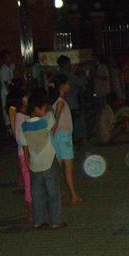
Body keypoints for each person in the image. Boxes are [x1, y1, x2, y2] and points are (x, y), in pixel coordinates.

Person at [18, 92, 66, 230]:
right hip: (49, 160)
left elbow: (24, 146)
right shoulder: (47, 119)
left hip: (34, 163)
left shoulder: (24, 126)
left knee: (37, 193)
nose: (45, 110)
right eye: (43, 107)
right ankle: (56, 221)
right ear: (36, 109)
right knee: (53, 192)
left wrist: (27, 162)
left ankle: (38, 221)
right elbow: (53, 121)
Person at [51, 74, 84, 205]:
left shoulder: (57, 102)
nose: (69, 85)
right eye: (67, 83)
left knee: (58, 168)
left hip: (58, 136)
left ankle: (60, 194)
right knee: (68, 168)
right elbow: (56, 120)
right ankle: (73, 195)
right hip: (63, 137)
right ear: (62, 86)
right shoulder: (60, 102)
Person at [8, 88, 32, 218]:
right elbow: (19, 138)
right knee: (28, 183)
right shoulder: (19, 116)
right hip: (24, 153)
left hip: (31, 152)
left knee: (32, 182)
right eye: (25, 97)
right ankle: (30, 211)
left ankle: (35, 209)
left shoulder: (26, 115)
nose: (28, 98)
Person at [57, 55, 87, 143]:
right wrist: (81, 74)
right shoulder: (69, 75)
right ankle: (73, 141)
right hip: (71, 102)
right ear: (66, 64)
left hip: (60, 102)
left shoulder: (57, 74)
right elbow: (81, 82)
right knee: (72, 123)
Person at [0, 50, 15, 132]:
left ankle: (11, 126)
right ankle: (8, 127)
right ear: (4, 59)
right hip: (6, 92)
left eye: (10, 57)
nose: (10, 59)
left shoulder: (9, 67)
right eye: (8, 57)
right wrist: (11, 92)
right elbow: (6, 83)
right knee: (6, 109)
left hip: (9, 92)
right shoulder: (3, 69)